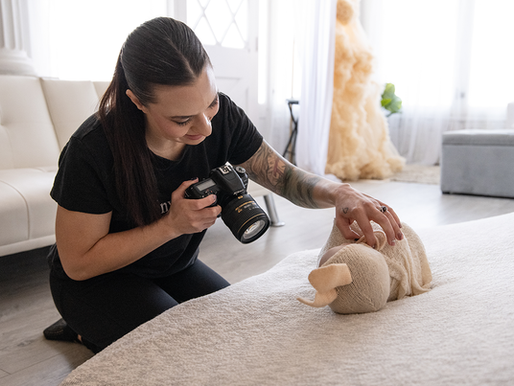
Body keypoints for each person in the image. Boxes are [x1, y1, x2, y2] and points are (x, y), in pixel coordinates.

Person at [43, 17, 403, 353]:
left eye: (211, 102)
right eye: (182, 119)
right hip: (95, 282)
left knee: (237, 330)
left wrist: (341, 193)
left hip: (174, 268)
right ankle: (82, 327)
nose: (206, 128)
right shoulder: (93, 150)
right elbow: (79, 262)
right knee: (182, 348)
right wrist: (170, 226)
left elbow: (285, 178)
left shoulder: (223, 117)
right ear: (137, 102)